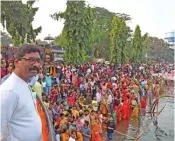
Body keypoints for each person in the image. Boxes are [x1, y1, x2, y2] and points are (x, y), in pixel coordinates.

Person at [0, 44, 42, 141]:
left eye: (38, 61)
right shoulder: (9, 91)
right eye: (31, 60)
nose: (36, 64)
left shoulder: (25, 83)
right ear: (17, 62)